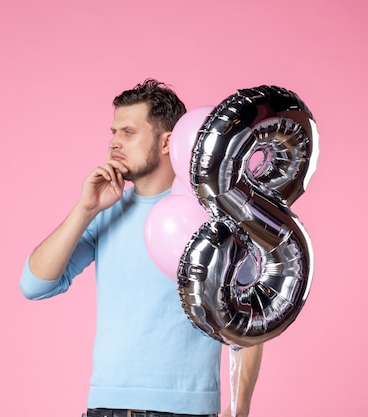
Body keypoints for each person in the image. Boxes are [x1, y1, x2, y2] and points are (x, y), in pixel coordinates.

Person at [20, 79, 263, 417]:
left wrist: (240, 408)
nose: (114, 143)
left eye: (128, 133)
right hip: (107, 408)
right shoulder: (105, 212)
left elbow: (250, 314)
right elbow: (34, 285)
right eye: (114, 132)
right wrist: (85, 209)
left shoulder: (210, 214)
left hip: (186, 410)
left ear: (167, 142)